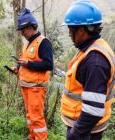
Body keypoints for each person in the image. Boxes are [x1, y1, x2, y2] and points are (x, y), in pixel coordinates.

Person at [60, 1, 115, 140]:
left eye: (70, 30)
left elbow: (93, 111)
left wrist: (75, 134)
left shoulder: (95, 61)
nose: (69, 34)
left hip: (85, 132)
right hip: (84, 129)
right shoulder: (91, 48)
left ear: (81, 30)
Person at [12, 8, 53, 140]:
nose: (22, 33)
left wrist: (28, 64)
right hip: (26, 86)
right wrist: (18, 68)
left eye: (23, 30)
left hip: (36, 87)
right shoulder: (28, 43)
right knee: (30, 115)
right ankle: (32, 137)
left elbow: (48, 65)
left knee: (36, 117)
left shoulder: (43, 42)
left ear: (30, 27)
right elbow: (25, 60)